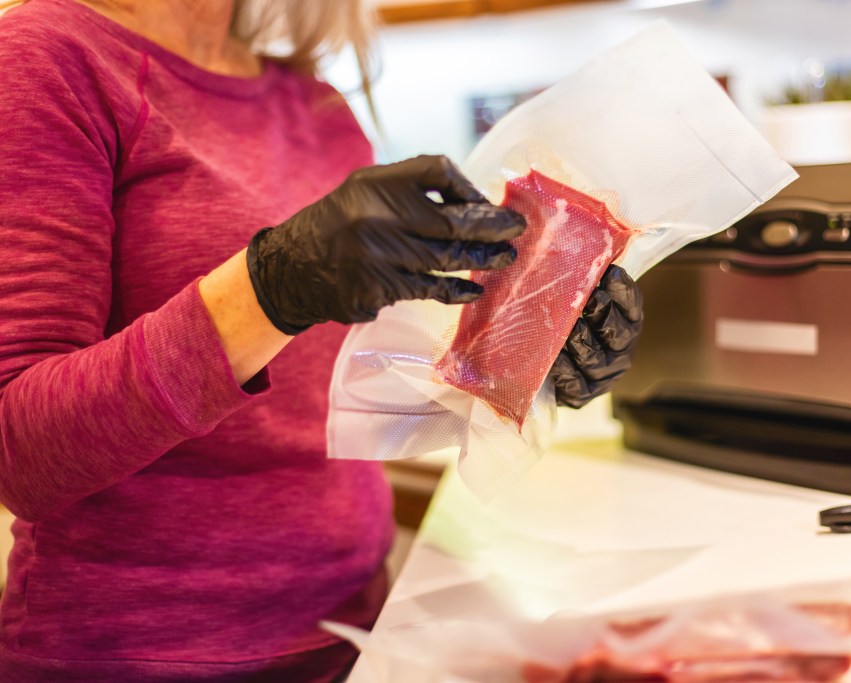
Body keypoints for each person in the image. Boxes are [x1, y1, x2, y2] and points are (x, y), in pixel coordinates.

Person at [0, 0, 644, 680]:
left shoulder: (314, 102)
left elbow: (349, 381)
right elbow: (19, 455)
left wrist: (536, 350)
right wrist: (270, 286)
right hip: (142, 655)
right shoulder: (46, 56)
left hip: (353, 630)